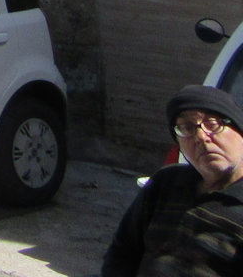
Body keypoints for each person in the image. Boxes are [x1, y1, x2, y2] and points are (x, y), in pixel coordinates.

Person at [102, 84, 243, 276]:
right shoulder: (165, 183)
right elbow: (122, 253)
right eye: (187, 128)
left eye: (212, 124)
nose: (201, 137)